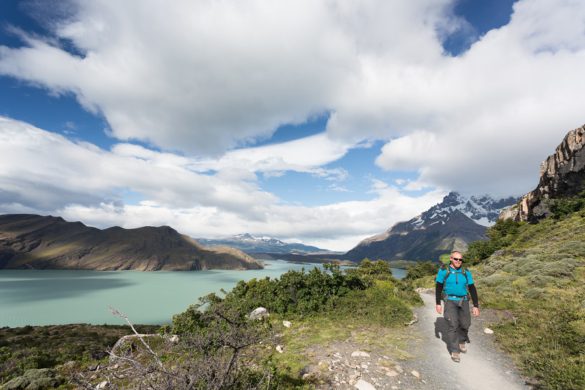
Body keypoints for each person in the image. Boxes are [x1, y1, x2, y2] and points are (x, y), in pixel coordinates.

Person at [435, 251, 480, 362]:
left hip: (464, 300)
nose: (458, 261)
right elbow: (438, 287)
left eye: (460, 259)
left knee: (465, 324)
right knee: (453, 325)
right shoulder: (443, 271)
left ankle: (462, 341)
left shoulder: (466, 272)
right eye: (456, 259)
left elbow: (472, 288)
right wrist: (438, 303)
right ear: (451, 259)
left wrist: (475, 305)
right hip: (450, 300)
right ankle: (455, 351)